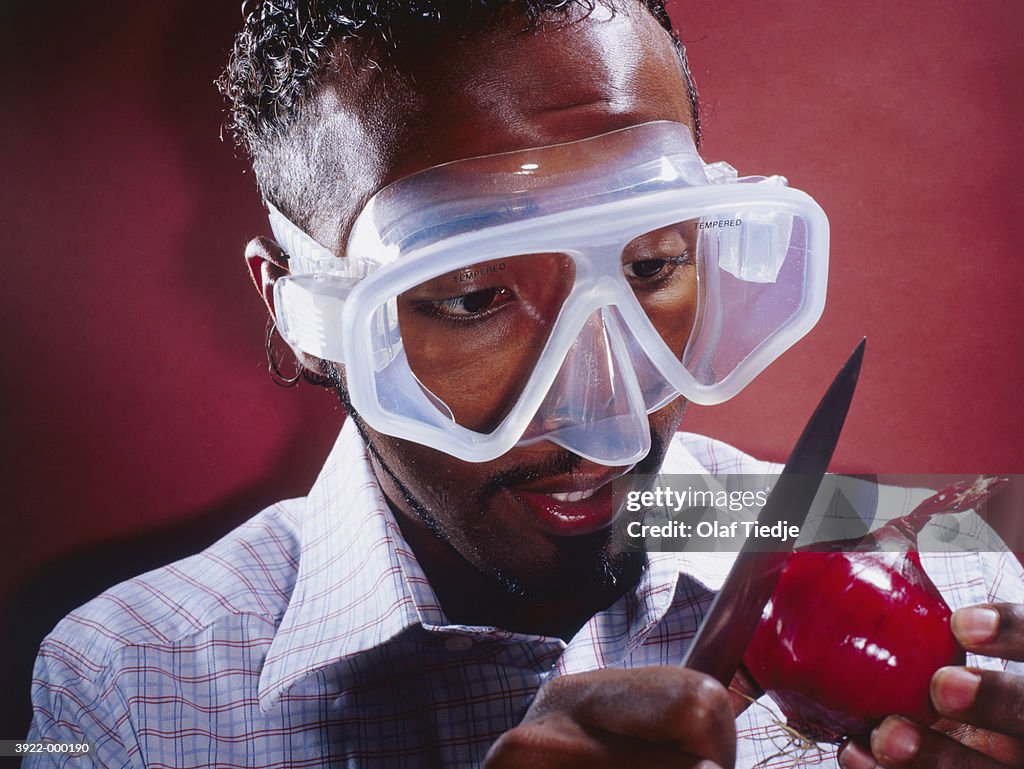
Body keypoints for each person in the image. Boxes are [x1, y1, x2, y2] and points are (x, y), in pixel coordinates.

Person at [25, 1, 1024, 767]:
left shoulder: (943, 580)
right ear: (304, 317)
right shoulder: (128, 685)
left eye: (648, 268)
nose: (610, 426)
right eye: (469, 297)